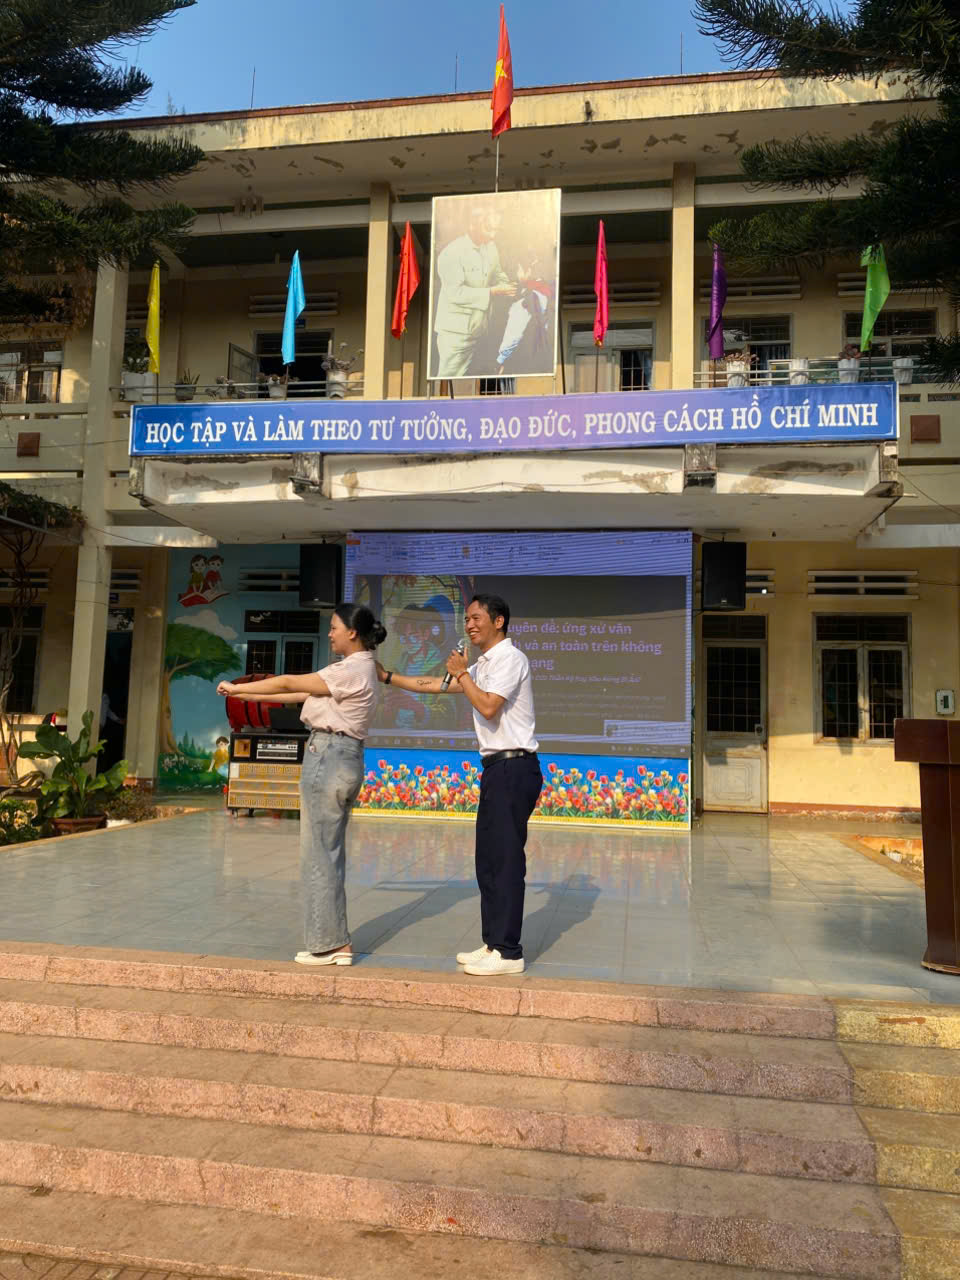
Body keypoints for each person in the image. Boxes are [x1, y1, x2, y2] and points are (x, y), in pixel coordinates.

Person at [377, 594, 541, 976]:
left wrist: (463, 674)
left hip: (514, 766)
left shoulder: (510, 659)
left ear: (498, 621)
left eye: (476, 618)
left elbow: (488, 706)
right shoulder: (483, 665)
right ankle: (493, 943)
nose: (469, 625)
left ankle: (509, 952)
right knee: (488, 862)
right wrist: (387, 677)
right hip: (496, 769)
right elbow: (437, 684)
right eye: (466, 618)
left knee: (505, 862)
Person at [217, 603, 386, 967]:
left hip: (328, 757)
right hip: (342, 757)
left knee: (318, 855)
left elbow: (289, 682)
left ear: (353, 632)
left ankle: (329, 944)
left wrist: (236, 684)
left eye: (334, 627)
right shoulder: (360, 668)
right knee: (327, 853)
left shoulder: (350, 669)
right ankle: (334, 941)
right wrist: (241, 694)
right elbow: (295, 694)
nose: (330, 633)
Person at [433, 206, 517, 378]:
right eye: (489, 228)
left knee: (476, 382)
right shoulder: (452, 253)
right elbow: (455, 293)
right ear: (473, 225)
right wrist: (492, 292)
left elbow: (497, 273)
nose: (493, 235)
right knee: (449, 381)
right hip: (456, 334)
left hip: (480, 328)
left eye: (496, 229)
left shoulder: (490, 246)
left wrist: (508, 284)